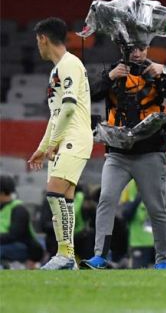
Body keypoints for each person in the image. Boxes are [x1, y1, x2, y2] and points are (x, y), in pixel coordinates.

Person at [81, 34, 166, 270]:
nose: (137, 53)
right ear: (123, 49)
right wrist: (110, 77)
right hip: (117, 154)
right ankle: (100, 256)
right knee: (106, 200)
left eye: (142, 48)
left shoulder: (157, 71)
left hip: (150, 153)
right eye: (133, 49)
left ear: (148, 48)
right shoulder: (114, 72)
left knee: (156, 207)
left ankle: (163, 259)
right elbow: (88, 95)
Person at [26, 18, 93, 270]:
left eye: (37, 41)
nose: (38, 46)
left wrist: (53, 143)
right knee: (63, 198)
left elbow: (68, 108)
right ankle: (67, 257)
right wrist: (43, 147)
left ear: (43, 38)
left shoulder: (70, 64)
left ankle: (64, 254)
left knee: (54, 193)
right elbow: (56, 115)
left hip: (74, 137)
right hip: (64, 138)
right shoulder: (57, 69)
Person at [0, 175, 44, 268]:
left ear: (3, 193)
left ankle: (11, 265)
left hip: (25, 248)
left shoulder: (19, 210)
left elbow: (14, 236)